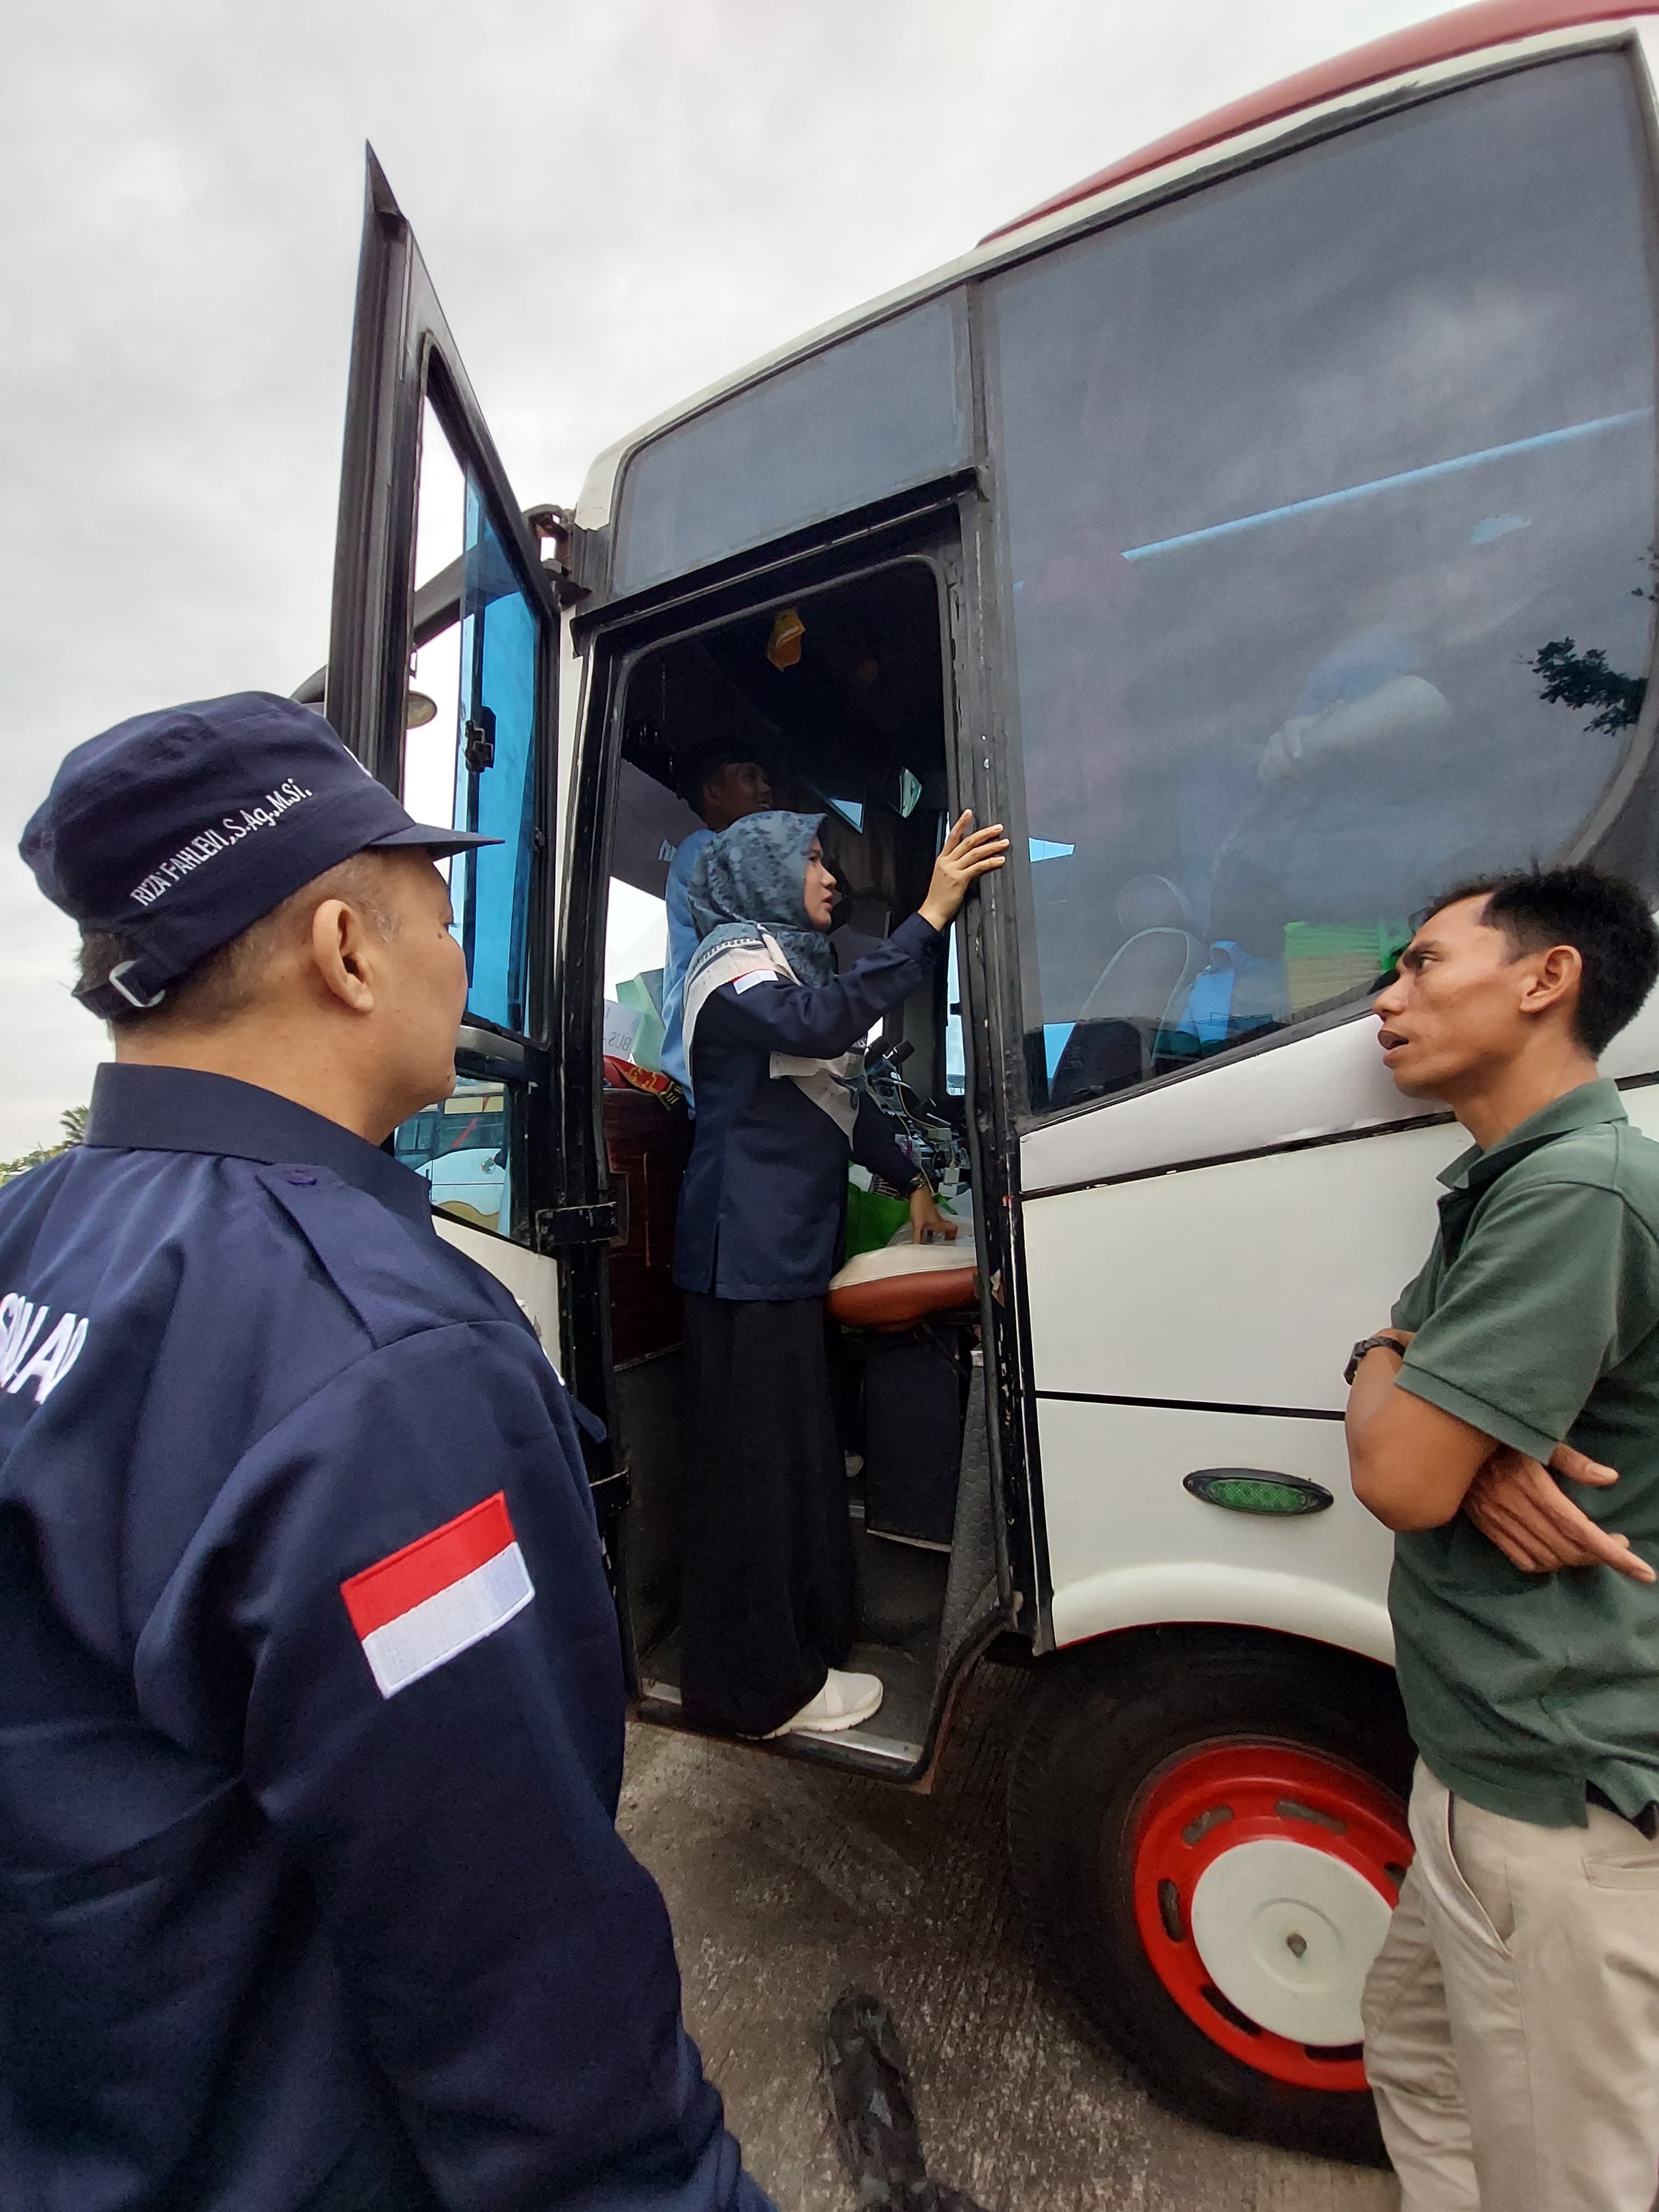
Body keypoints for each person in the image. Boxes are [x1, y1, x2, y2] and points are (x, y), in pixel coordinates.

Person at [1, 691, 775, 2212]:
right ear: (346, 953)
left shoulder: (31, 1233)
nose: (454, 960)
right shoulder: (384, 1365)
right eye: (434, 915)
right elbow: (518, 1967)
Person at [1344, 863, 1659, 2211]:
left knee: (1567, 2179)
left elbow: (1398, 1470)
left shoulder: (1575, 1189)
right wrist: (1405, 1369)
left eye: (1418, 964)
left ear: (1545, 980)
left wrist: (1420, 1409)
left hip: (1553, 1790)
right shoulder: (1501, 1176)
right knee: (1415, 2062)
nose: (1382, 996)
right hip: (1479, 1766)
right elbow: (1412, 1411)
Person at [672, 807, 1006, 1741]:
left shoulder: (784, 965)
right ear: (764, 873)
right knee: (752, 1481)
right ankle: (756, 1693)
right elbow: (818, 1031)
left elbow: (836, 1102)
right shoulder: (731, 961)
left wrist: (911, 1186)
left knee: (794, 1464)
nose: (830, 873)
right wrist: (931, 914)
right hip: (741, 1260)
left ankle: (803, 1649)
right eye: (812, 858)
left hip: (780, 1260)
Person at [659, 750, 774, 1104]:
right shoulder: (707, 849)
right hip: (717, 1069)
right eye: (751, 776)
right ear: (713, 794)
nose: (766, 789)